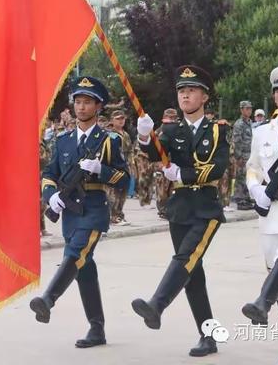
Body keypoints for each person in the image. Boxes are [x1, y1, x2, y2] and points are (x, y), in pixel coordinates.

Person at [132, 65, 229, 357]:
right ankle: (208, 336)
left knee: (184, 259)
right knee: (192, 274)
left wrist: (183, 175)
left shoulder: (218, 130)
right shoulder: (172, 131)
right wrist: (145, 136)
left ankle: (157, 305)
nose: (185, 95)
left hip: (206, 209)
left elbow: (218, 167)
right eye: (182, 91)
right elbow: (152, 154)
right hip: (179, 210)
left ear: (204, 97)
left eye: (192, 90)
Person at [30, 76, 129, 348]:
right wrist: (51, 198)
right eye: (78, 102)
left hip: (95, 210)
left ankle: (48, 299)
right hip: (70, 212)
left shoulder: (108, 141)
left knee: (75, 255)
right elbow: (50, 174)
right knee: (84, 269)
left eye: (87, 102)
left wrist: (102, 170)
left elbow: (124, 179)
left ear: (98, 106)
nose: (81, 107)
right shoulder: (62, 140)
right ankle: (97, 328)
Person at [243, 66, 278, 365]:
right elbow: (252, 166)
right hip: (271, 210)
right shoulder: (261, 132)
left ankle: (261, 303)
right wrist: (255, 189)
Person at [108, 110, 134, 225]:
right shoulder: (110, 135)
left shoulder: (125, 134)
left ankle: (119, 214)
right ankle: (113, 216)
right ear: (112, 121)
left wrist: (132, 165)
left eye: (122, 118)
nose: (121, 121)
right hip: (116, 167)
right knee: (114, 193)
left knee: (123, 193)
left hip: (126, 167)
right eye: (118, 119)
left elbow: (130, 151)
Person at [153, 108, 179, 219]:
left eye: (174, 117)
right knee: (162, 190)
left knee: (173, 190)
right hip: (162, 165)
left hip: (174, 165)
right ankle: (163, 211)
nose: (172, 120)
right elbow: (153, 151)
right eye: (170, 117)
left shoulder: (180, 131)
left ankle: (171, 209)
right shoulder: (158, 132)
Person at [232, 100, 254, 210]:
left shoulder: (250, 122)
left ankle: (246, 198)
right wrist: (238, 156)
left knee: (248, 177)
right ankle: (240, 200)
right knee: (240, 177)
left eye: (250, 108)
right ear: (241, 110)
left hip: (250, 155)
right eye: (247, 108)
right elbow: (236, 141)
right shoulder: (239, 124)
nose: (249, 110)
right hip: (242, 155)